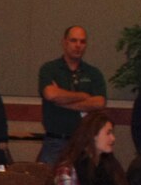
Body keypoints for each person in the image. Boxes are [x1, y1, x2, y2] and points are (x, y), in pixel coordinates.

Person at [39, 25, 107, 164]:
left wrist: (62, 101)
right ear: (64, 43)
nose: (78, 45)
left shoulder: (93, 73)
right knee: (49, 183)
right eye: (73, 41)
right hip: (55, 141)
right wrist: (84, 95)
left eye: (82, 42)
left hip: (85, 142)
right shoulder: (50, 69)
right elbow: (51, 95)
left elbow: (99, 103)